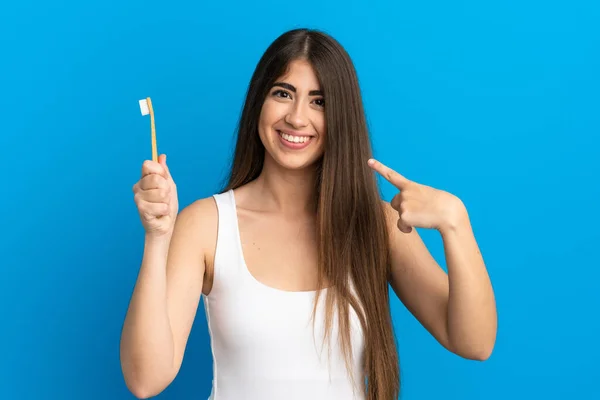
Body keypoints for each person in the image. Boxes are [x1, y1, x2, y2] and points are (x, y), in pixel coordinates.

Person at [119, 28, 497, 400]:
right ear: (258, 103)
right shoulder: (206, 225)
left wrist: (455, 223)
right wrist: (157, 237)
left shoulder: (377, 226)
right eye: (283, 94)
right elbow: (145, 380)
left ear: (342, 118)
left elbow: (474, 343)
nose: (297, 118)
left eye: (320, 101)